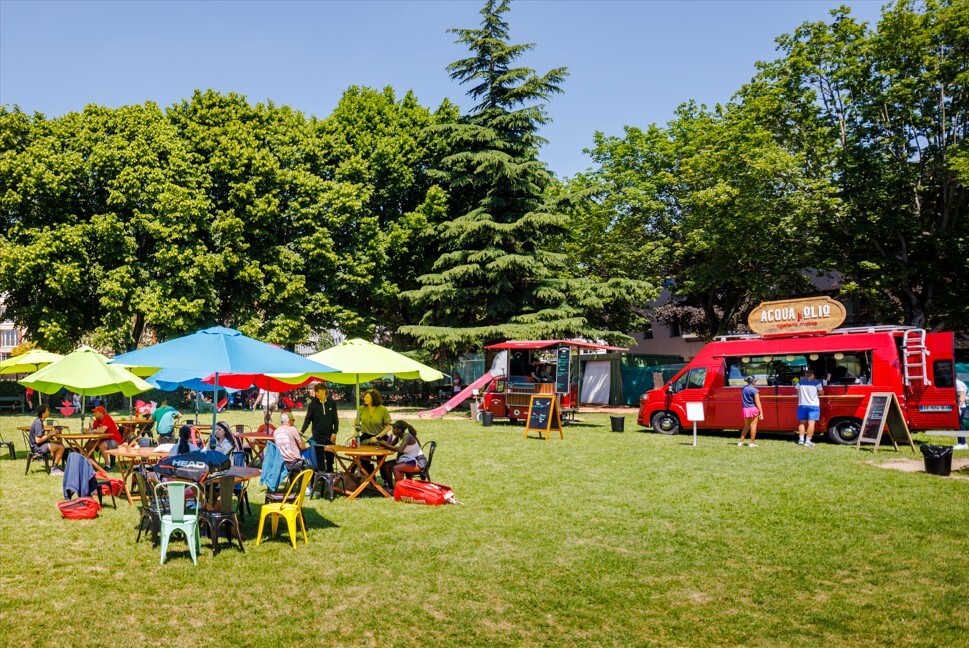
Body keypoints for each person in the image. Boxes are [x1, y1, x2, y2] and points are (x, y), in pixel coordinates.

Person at [374, 420, 427, 488]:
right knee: (386, 466)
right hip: (407, 459)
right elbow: (391, 445)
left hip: (417, 462)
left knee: (396, 468)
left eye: (394, 428)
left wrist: (385, 445)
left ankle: (400, 488)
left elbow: (400, 449)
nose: (392, 430)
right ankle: (391, 488)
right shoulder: (399, 436)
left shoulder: (407, 436)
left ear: (400, 430)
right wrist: (384, 443)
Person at [301, 383, 339, 472]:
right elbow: (308, 419)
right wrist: (302, 431)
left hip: (329, 435)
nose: (317, 394)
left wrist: (334, 432)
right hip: (317, 435)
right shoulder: (313, 404)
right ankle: (321, 475)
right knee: (319, 458)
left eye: (318, 391)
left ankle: (330, 474)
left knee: (330, 458)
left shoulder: (331, 403)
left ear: (324, 391)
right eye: (316, 392)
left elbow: (335, 420)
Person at [29, 405, 65, 475]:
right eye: (47, 411)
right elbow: (38, 440)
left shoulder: (39, 421)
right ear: (43, 413)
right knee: (61, 447)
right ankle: (54, 469)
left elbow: (41, 436)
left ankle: (54, 466)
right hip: (37, 447)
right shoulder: (38, 423)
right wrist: (50, 434)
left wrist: (51, 433)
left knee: (58, 443)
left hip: (39, 445)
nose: (48, 412)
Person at [796, 370, 824, 446]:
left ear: (805, 375)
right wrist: (817, 393)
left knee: (802, 423)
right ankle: (808, 441)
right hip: (813, 405)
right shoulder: (817, 383)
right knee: (811, 423)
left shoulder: (800, 382)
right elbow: (821, 392)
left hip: (802, 404)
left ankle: (801, 439)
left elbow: (798, 393)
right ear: (812, 375)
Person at [738, 376, 763, 447]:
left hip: (745, 409)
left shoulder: (744, 388)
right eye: (755, 381)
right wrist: (761, 413)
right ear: (753, 382)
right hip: (753, 409)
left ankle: (740, 442)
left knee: (746, 426)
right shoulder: (755, 390)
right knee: (753, 426)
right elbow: (757, 402)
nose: (756, 382)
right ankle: (752, 443)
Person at [955, 378, 967, 450]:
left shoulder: (958, 383)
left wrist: (958, 408)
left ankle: (963, 443)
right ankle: (960, 443)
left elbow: (962, 396)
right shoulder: (955, 383)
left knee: (960, 425)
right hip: (957, 407)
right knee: (957, 426)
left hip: (960, 407)